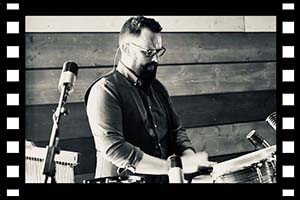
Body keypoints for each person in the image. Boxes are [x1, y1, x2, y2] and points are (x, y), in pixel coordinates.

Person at [84, 16, 213, 183]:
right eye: (148, 52)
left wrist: (188, 156)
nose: (156, 59)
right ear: (126, 48)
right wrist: (172, 168)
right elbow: (115, 149)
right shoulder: (105, 90)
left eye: (159, 52)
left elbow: (177, 132)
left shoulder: (158, 88)